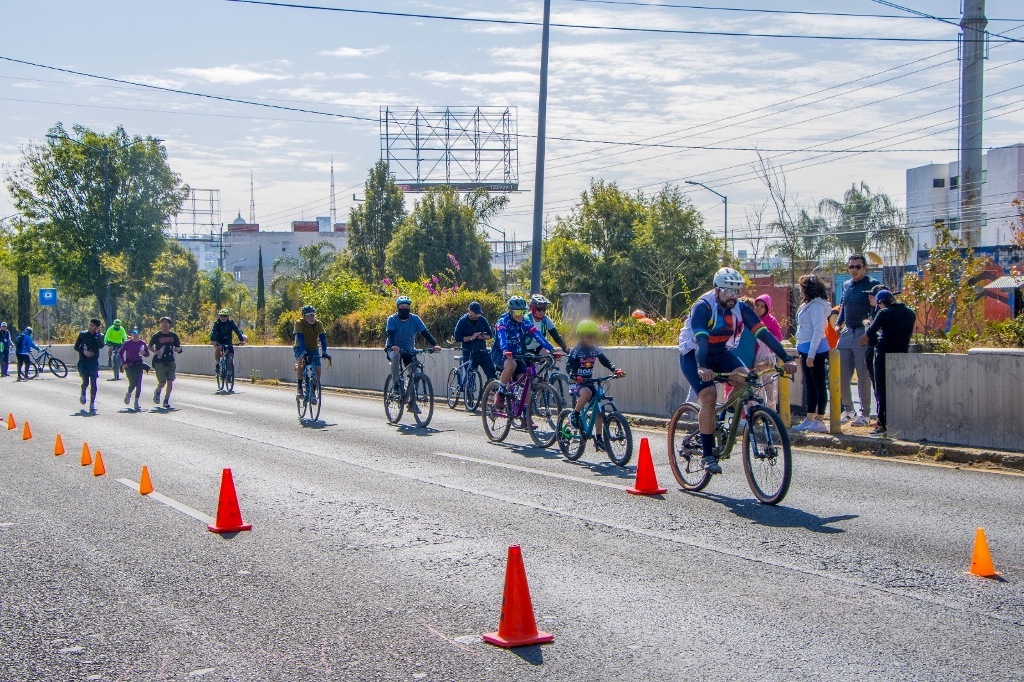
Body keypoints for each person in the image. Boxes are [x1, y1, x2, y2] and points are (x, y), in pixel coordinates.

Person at [678, 267, 797, 474]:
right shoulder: (704, 307)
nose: (733, 297)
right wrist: (703, 367)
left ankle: (722, 414)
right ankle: (707, 455)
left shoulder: (740, 308)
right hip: (696, 353)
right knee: (708, 395)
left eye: (737, 292)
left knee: (747, 379)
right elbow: (702, 341)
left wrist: (786, 358)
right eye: (728, 292)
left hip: (721, 351)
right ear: (717, 290)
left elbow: (764, 334)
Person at [836, 254, 881, 426]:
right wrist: (839, 324)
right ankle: (848, 410)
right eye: (851, 267)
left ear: (865, 268)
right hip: (848, 332)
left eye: (857, 266)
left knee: (863, 376)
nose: (854, 270)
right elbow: (843, 307)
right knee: (841, 374)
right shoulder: (847, 285)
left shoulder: (872, 284)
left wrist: (869, 333)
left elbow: (878, 310)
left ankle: (866, 414)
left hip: (863, 332)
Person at [567, 319, 624, 450]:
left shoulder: (595, 349)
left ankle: (598, 439)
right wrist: (575, 376)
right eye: (588, 336)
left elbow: (605, 361)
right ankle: (575, 415)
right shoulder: (576, 350)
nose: (591, 339)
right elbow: (569, 366)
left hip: (588, 381)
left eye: (593, 336)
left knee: (598, 410)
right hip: (576, 382)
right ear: (581, 336)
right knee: (586, 393)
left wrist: (615, 370)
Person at [866, 291, 916, 435]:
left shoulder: (884, 313)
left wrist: (876, 342)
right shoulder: (910, 313)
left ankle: (882, 424)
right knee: (901, 389)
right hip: (902, 352)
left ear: (881, 302)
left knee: (882, 389)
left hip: (884, 352)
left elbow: (871, 332)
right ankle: (901, 423)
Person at [492, 295, 556, 408]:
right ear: (510, 311)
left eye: (523, 312)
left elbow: (538, 335)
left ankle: (524, 413)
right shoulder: (503, 321)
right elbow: (502, 337)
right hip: (500, 352)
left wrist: (551, 349)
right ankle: (500, 392)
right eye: (517, 312)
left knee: (528, 382)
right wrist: (505, 350)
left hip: (517, 354)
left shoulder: (524, 322)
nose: (520, 315)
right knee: (511, 364)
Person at [791, 276, 833, 433]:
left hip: (814, 350)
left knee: (818, 384)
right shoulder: (808, 304)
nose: (800, 290)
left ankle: (820, 420)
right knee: (810, 385)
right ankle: (809, 419)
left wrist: (811, 354)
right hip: (805, 348)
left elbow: (818, 330)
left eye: (802, 287)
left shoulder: (817, 306)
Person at [385, 296, 440, 413]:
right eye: (402, 307)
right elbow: (390, 333)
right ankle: (395, 384)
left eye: (406, 307)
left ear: (409, 307)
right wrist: (393, 345)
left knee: (416, 373)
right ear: (398, 307)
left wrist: (435, 345)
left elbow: (425, 333)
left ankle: (411, 401)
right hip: (394, 348)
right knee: (395, 356)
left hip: (409, 350)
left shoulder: (415, 319)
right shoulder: (392, 319)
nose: (404, 308)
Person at [294, 305, 331, 405]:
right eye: (309, 315)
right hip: (300, 348)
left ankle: (313, 393)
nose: (312, 318)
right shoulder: (299, 323)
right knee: (301, 363)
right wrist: (304, 353)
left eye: (313, 315)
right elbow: (300, 339)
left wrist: (324, 352)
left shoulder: (318, 324)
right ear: (304, 316)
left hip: (314, 349)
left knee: (317, 370)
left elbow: (323, 338)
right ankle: (300, 387)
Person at [752, 294, 784, 410]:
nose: (758, 308)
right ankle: (754, 409)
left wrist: (765, 338)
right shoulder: (750, 318)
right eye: (757, 305)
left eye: (762, 306)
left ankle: (771, 408)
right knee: (753, 384)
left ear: (767, 308)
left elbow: (778, 338)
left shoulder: (771, 320)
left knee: (768, 384)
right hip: (753, 356)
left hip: (767, 357)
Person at [453, 301, 496, 383]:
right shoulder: (463, 321)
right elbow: (457, 337)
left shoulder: (482, 320)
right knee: (470, 376)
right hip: (469, 352)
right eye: (475, 313)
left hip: (482, 351)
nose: (477, 316)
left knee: (491, 372)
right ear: (469, 311)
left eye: (478, 313)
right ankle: (469, 392)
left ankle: (492, 391)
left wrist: (483, 336)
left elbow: (490, 335)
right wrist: (471, 337)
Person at [149, 316, 183, 409]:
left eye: (166, 322)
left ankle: (166, 400)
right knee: (162, 382)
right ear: (160, 324)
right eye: (162, 322)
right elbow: (150, 346)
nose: (164, 324)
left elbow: (179, 348)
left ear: (170, 324)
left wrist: (177, 349)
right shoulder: (156, 336)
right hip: (159, 361)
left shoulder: (174, 336)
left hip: (170, 360)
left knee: (170, 381)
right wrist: (156, 351)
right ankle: (158, 391)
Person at [74, 318, 104, 413]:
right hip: (83, 362)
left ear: (97, 327)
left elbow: (101, 346)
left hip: (94, 362)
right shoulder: (83, 334)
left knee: (94, 383)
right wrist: (84, 352)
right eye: (90, 325)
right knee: (85, 382)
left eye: (93, 326)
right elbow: (76, 347)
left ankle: (92, 403)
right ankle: (83, 392)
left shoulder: (100, 336)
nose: (90, 327)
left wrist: (98, 334)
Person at [861, 284, 889, 386]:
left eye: (873, 295)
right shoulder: (873, 310)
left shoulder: (885, 312)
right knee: (875, 383)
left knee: (882, 385)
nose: (870, 297)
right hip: (871, 349)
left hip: (881, 350)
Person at [119, 327, 150, 412]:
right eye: (134, 335)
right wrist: (124, 363)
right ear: (132, 335)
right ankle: (129, 393)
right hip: (129, 365)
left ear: (139, 335)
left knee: (138, 383)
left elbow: (147, 354)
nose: (135, 336)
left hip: (139, 364)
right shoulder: (127, 343)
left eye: (137, 335)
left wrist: (144, 353)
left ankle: (136, 402)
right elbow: (120, 352)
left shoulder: (142, 343)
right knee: (132, 383)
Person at [211, 308, 247, 377]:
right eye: (221, 316)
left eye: (225, 316)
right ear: (219, 316)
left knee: (230, 356)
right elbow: (213, 332)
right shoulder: (217, 323)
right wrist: (213, 340)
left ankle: (229, 375)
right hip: (219, 341)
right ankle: (218, 364)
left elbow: (237, 331)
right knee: (219, 348)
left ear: (228, 316)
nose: (223, 318)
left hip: (228, 341)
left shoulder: (231, 323)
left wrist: (241, 339)